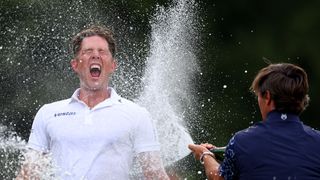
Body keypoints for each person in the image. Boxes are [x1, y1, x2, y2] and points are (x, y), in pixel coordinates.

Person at [17, 25, 169, 180]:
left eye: (102, 51)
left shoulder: (137, 114)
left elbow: (156, 175)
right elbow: (28, 175)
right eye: (88, 51)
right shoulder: (48, 113)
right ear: (75, 65)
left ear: (113, 65)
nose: (95, 55)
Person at [188, 63, 320, 180]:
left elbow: (218, 178)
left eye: (258, 95)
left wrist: (204, 155)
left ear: (267, 97)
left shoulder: (242, 141)